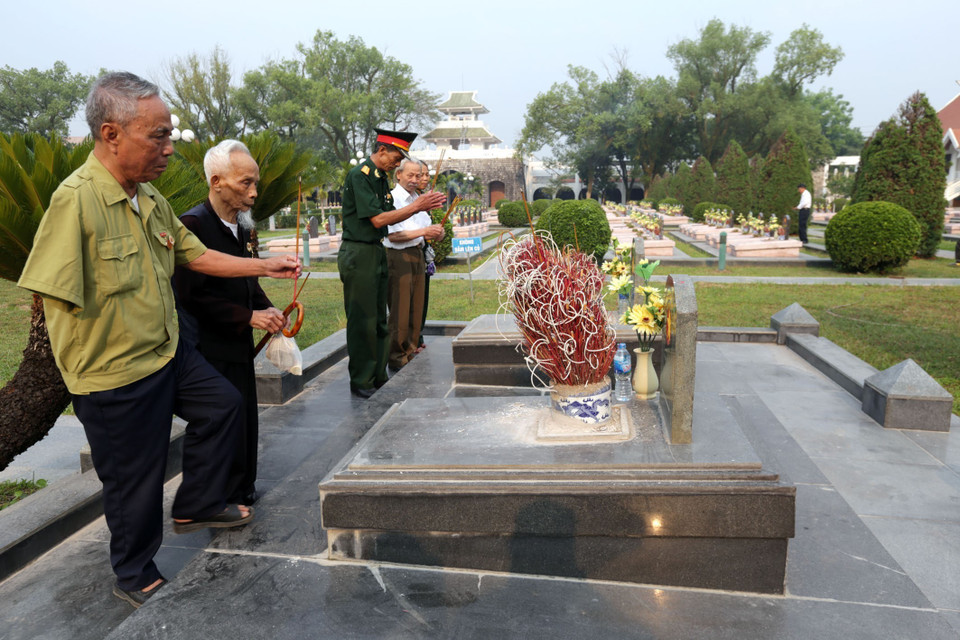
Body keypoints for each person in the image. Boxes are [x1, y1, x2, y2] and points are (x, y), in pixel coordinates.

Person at [16, 72, 300, 609]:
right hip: (115, 373)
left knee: (224, 405)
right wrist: (93, 375)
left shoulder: (147, 196)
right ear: (111, 134)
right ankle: (134, 571)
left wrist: (265, 265)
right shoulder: (75, 202)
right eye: (159, 136)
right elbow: (52, 298)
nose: (170, 148)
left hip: (168, 352)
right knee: (135, 480)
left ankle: (196, 502)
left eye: (169, 135)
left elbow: (195, 254)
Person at [173, 140, 285, 507]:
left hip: (237, 340)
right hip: (207, 344)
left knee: (245, 415)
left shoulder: (244, 226)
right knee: (220, 418)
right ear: (217, 181)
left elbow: (248, 280)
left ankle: (241, 488)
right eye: (245, 183)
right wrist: (248, 317)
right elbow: (191, 295)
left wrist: (268, 310)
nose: (254, 193)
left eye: (255, 184)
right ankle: (212, 498)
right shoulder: (192, 225)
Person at [337, 129, 445, 398]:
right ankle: (361, 379)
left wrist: (419, 208)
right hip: (359, 251)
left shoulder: (380, 179)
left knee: (379, 320)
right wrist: (416, 206)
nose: (398, 163)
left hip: (376, 249)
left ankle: (377, 375)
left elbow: (390, 215)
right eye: (396, 158)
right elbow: (377, 219)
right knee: (363, 320)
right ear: (382, 150)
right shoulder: (360, 175)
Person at [384, 158, 444, 370]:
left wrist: (437, 232)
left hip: (417, 254)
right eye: (410, 175)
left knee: (416, 307)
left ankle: (410, 350)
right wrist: (424, 232)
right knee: (400, 308)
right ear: (398, 174)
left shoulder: (418, 198)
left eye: (418, 176)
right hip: (398, 256)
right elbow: (393, 236)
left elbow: (426, 229)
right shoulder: (392, 199)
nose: (415, 180)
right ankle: (397, 356)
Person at [416, 162, 436, 351]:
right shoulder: (407, 200)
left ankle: (418, 335)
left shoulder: (424, 199)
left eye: (427, 175)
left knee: (423, 299)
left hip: (424, 253)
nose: (424, 178)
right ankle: (412, 339)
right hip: (409, 251)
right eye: (420, 175)